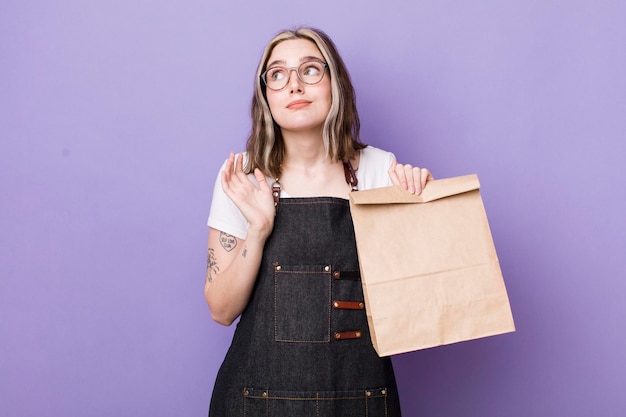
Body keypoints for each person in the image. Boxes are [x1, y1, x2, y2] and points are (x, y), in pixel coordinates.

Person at [205, 27, 433, 416]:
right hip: (256, 401)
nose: (294, 85)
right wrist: (258, 231)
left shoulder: (381, 170)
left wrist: (418, 208)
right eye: (277, 75)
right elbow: (222, 311)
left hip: (360, 399)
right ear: (266, 96)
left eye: (310, 70)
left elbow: (414, 306)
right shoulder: (242, 176)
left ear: (334, 83)